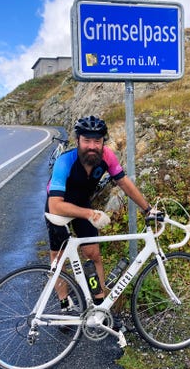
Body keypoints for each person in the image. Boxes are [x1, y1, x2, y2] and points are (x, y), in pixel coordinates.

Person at [45, 115, 152, 326]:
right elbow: (55, 205)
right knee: (58, 259)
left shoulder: (107, 157)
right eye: (87, 140)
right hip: (59, 205)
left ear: (103, 142)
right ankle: (65, 304)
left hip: (83, 204)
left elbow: (124, 183)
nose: (92, 146)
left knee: (93, 253)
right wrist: (90, 214)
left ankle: (100, 304)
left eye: (97, 141)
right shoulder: (65, 161)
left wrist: (147, 209)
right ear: (78, 141)